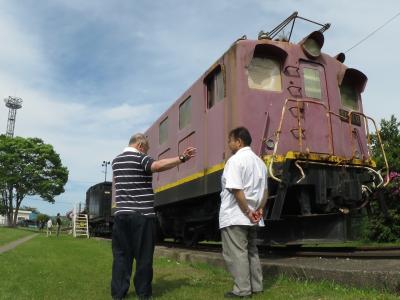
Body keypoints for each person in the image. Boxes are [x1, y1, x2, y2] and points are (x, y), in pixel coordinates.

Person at [111, 133, 196, 300]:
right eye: (146, 149)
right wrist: (182, 158)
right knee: (143, 257)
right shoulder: (140, 158)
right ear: (140, 146)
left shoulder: (116, 161)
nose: (146, 153)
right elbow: (157, 166)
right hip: (142, 215)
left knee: (121, 256)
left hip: (121, 216)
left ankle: (118, 293)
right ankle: (143, 294)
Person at [219, 127, 268, 298]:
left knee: (236, 253)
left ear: (238, 142)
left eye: (230, 141)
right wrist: (259, 210)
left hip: (236, 215)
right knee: (252, 251)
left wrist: (247, 211)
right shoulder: (260, 163)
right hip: (254, 216)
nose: (228, 144)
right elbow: (265, 192)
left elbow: (236, 189)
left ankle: (242, 290)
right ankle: (256, 286)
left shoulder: (234, 161)